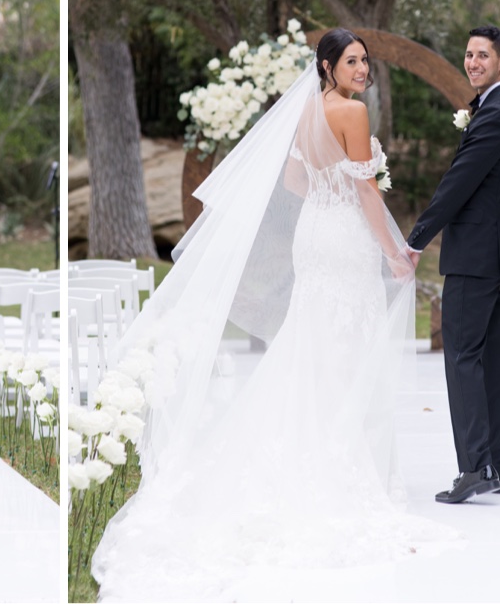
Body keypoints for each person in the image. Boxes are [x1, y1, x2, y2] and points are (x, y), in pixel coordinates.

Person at [90, 29, 452, 603]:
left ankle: (313, 447)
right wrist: (395, 252)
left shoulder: (308, 110)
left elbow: (293, 181)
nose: (363, 70)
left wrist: (330, 193)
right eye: (353, 61)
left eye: (365, 61)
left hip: (313, 235)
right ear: (329, 67)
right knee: (343, 348)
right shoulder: (351, 113)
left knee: (312, 344)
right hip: (345, 240)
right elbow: (364, 195)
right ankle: (339, 460)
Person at [406, 25, 500, 504]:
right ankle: (497, 466)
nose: (473, 62)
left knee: (462, 356)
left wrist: (416, 239)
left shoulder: (495, 114)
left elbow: (459, 183)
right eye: (468, 54)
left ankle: (475, 466)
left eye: (484, 55)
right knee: (496, 359)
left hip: (477, 261)